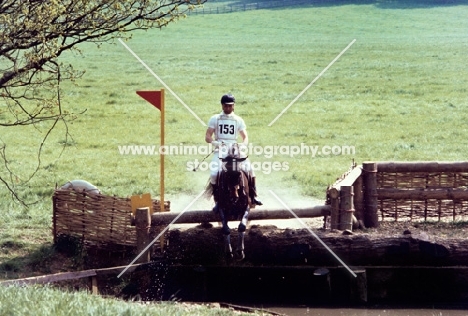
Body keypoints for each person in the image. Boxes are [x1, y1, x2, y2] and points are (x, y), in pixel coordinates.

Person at [205, 93, 262, 208]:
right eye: (226, 106)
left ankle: (254, 195)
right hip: (221, 150)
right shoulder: (215, 119)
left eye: (230, 106)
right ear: (222, 106)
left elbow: (245, 137)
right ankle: (217, 199)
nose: (228, 108)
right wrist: (214, 142)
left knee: (250, 169)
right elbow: (207, 136)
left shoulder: (238, 120)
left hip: (235, 150)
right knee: (214, 173)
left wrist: (243, 145)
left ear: (234, 106)